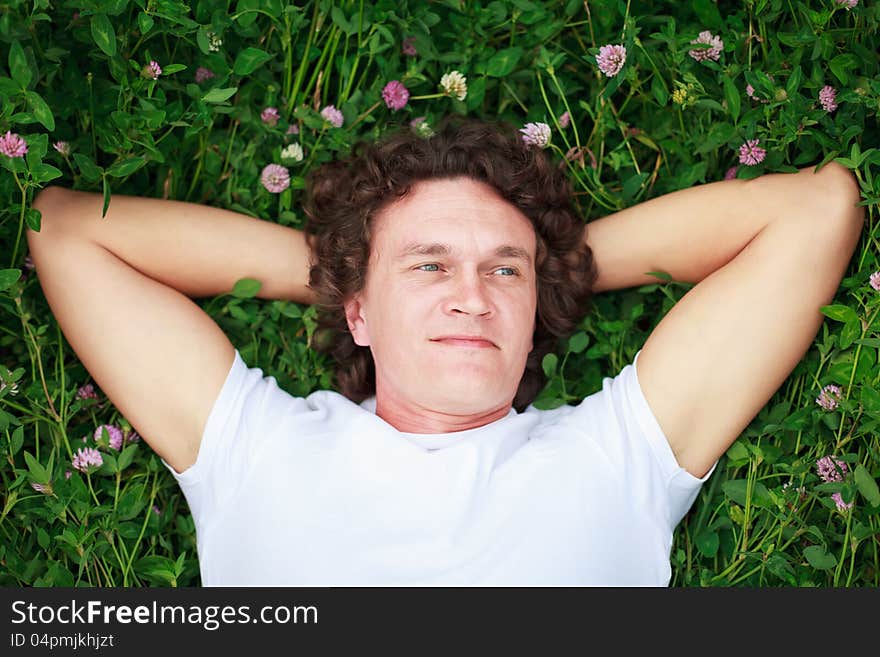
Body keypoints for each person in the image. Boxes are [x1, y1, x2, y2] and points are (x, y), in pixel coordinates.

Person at [25, 117, 864, 586]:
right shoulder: (257, 447)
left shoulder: (616, 455)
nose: (473, 294)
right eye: (429, 266)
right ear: (357, 311)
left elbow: (818, 212)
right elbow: (61, 232)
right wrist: (344, 274)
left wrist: (552, 269)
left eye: (503, 268)